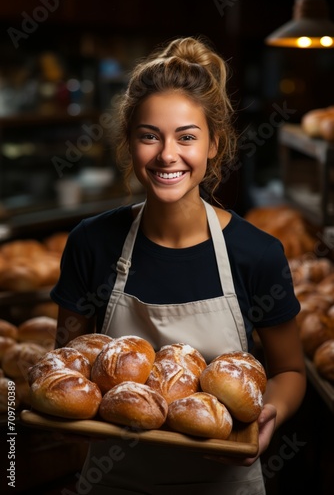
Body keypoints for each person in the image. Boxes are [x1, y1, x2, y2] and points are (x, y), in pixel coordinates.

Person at [51, 35, 306, 494]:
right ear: (130, 143)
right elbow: (69, 364)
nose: (168, 155)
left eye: (187, 137)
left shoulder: (257, 254)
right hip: (115, 482)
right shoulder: (91, 244)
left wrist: (269, 415)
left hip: (224, 480)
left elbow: (290, 371)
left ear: (214, 144)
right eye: (150, 136)